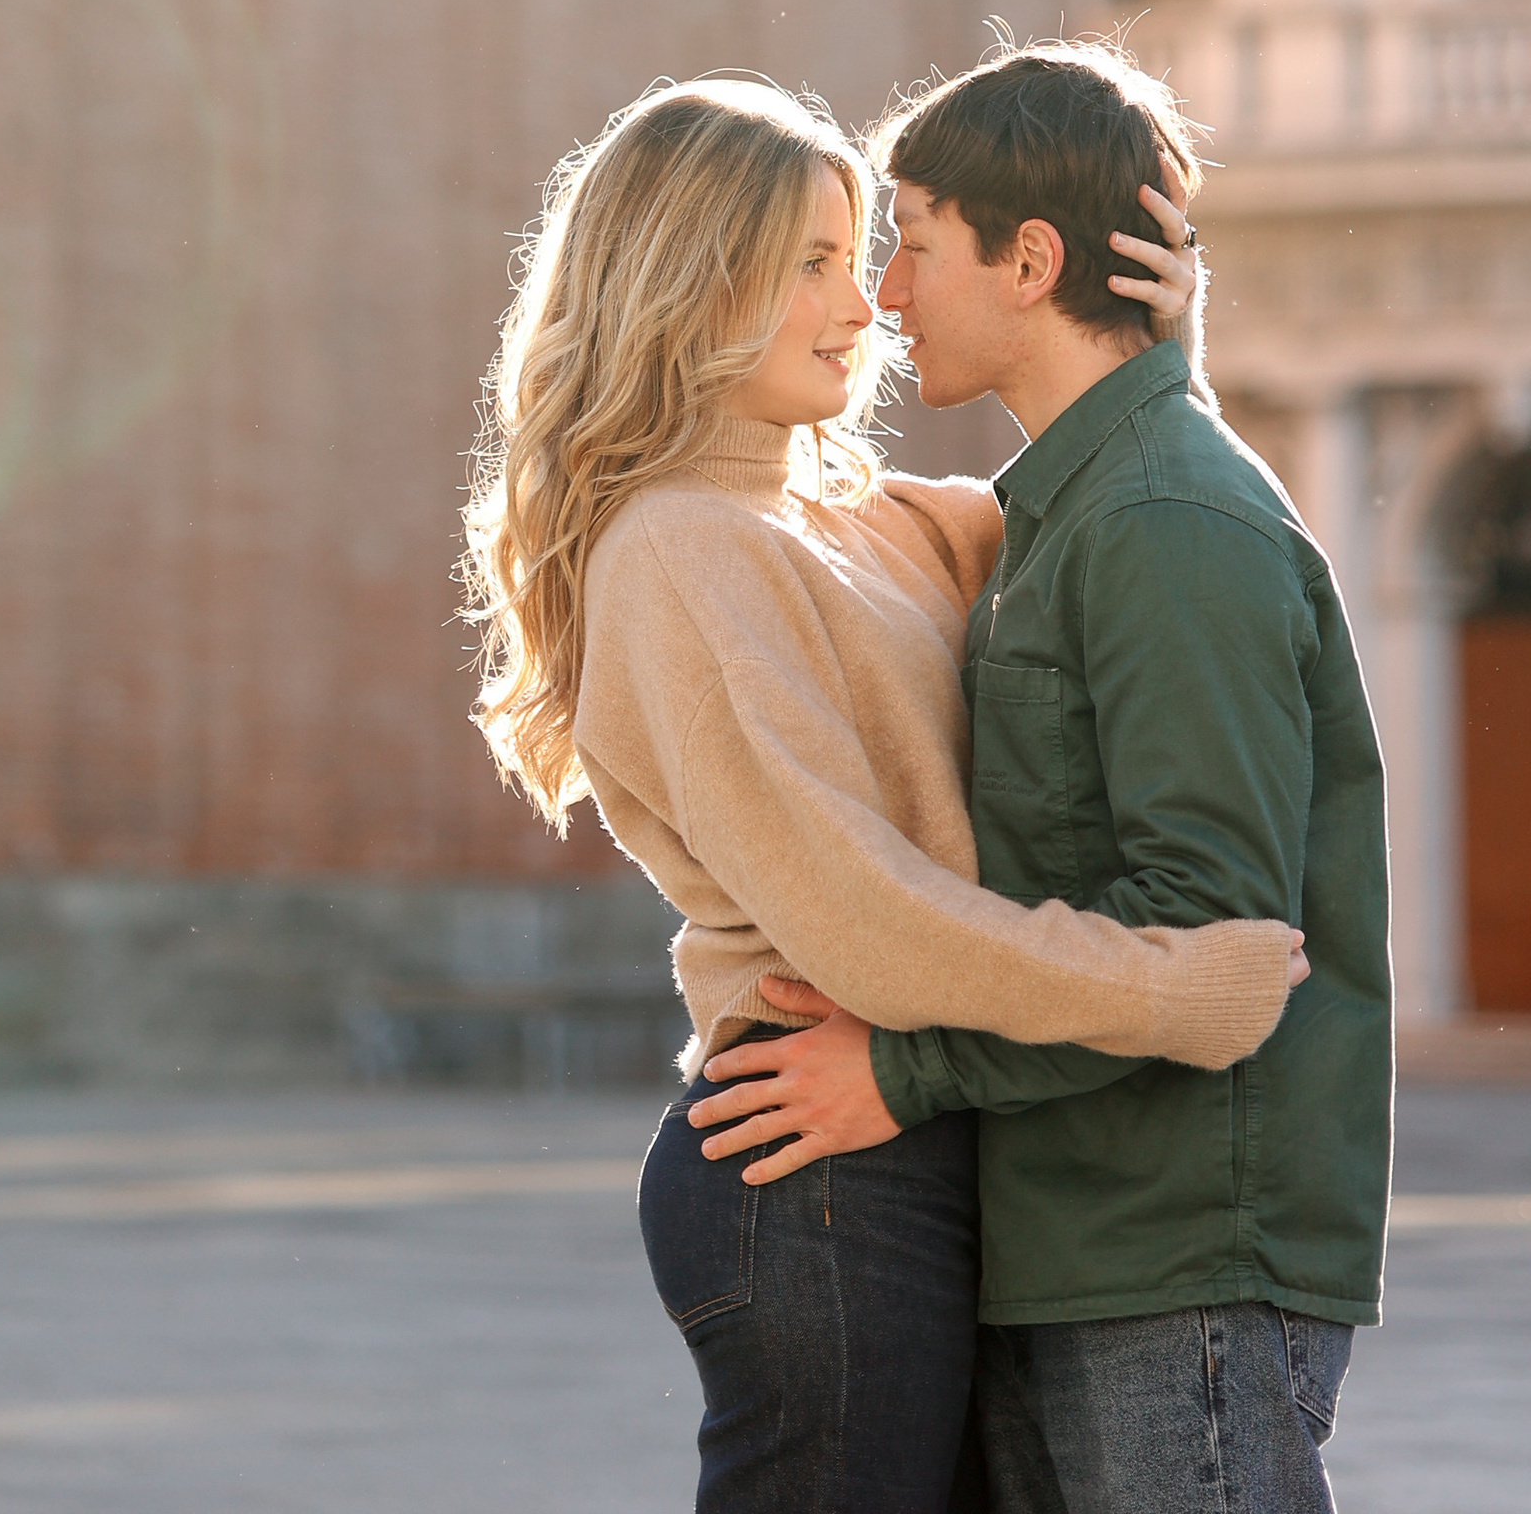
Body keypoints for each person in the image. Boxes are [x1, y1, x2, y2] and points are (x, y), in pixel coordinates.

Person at [462, 73, 1303, 1513]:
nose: (864, 307)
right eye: (809, 266)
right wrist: (1166, 990)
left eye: (859, 260)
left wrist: (1155, 347)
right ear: (688, 279)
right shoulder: (679, 547)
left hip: (913, 1145)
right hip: (814, 1172)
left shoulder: (885, 521)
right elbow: (862, 913)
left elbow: (1123, 522)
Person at [690, 42, 1392, 1514]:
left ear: (1029, 260)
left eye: (912, 241)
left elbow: (1203, 928)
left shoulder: (1161, 524)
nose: (884, 293)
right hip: (1077, 1242)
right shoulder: (1074, 515)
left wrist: (906, 1072)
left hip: (1180, 1253)